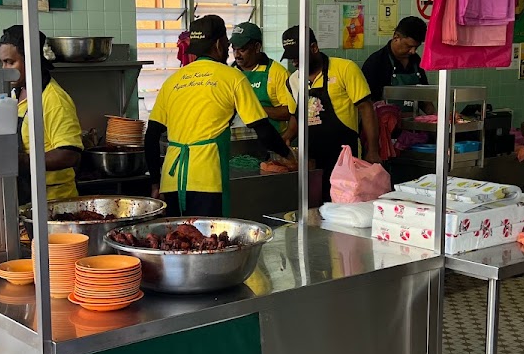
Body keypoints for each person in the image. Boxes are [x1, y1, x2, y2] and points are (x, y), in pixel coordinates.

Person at [146, 15, 293, 216]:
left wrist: (155, 181)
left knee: (179, 242)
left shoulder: (172, 81)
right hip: (208, 180)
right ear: (218, 44)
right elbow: (263, 129)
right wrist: (289, 156)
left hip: (171, 181)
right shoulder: (232, 77)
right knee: (210, 242)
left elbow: (151, 136)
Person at [283, 26, 380, 203]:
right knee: (313, 206)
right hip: (311, 158)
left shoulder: (345, 69)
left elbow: (366, 108)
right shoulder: (293, 81)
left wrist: (373, 150)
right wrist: (287, 137)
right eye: (291, 58)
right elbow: (295, 116)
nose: (295, 63)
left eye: (298, 56)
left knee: (345, 204)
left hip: (344, 156)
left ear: (314, 48)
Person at [0, 25, 82, 201]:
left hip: (54, 203)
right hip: (26, 198)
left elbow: (69, 154)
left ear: (31, 60)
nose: (4, 68)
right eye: (2, 62)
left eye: (10, 62)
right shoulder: (15, 92)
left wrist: (21, 162)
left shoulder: (54, 100)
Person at [229, 21, 297, 143]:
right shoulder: (229, 73)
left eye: (242, 50)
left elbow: (289, 112)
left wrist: (252, 108)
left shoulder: (277, 72)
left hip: (271, 142)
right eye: (234, 49)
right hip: (236, 143)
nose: (236, 55)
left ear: (257, 47)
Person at [361, 16, 430, 103]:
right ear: (396, 37)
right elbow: (367, 103)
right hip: (384, 116)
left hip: (413, 115)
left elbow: (425, 97)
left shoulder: (415, 60)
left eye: (416, 47)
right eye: (409, 46)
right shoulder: (375, 62)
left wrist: (435, 115)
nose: (413, 51)